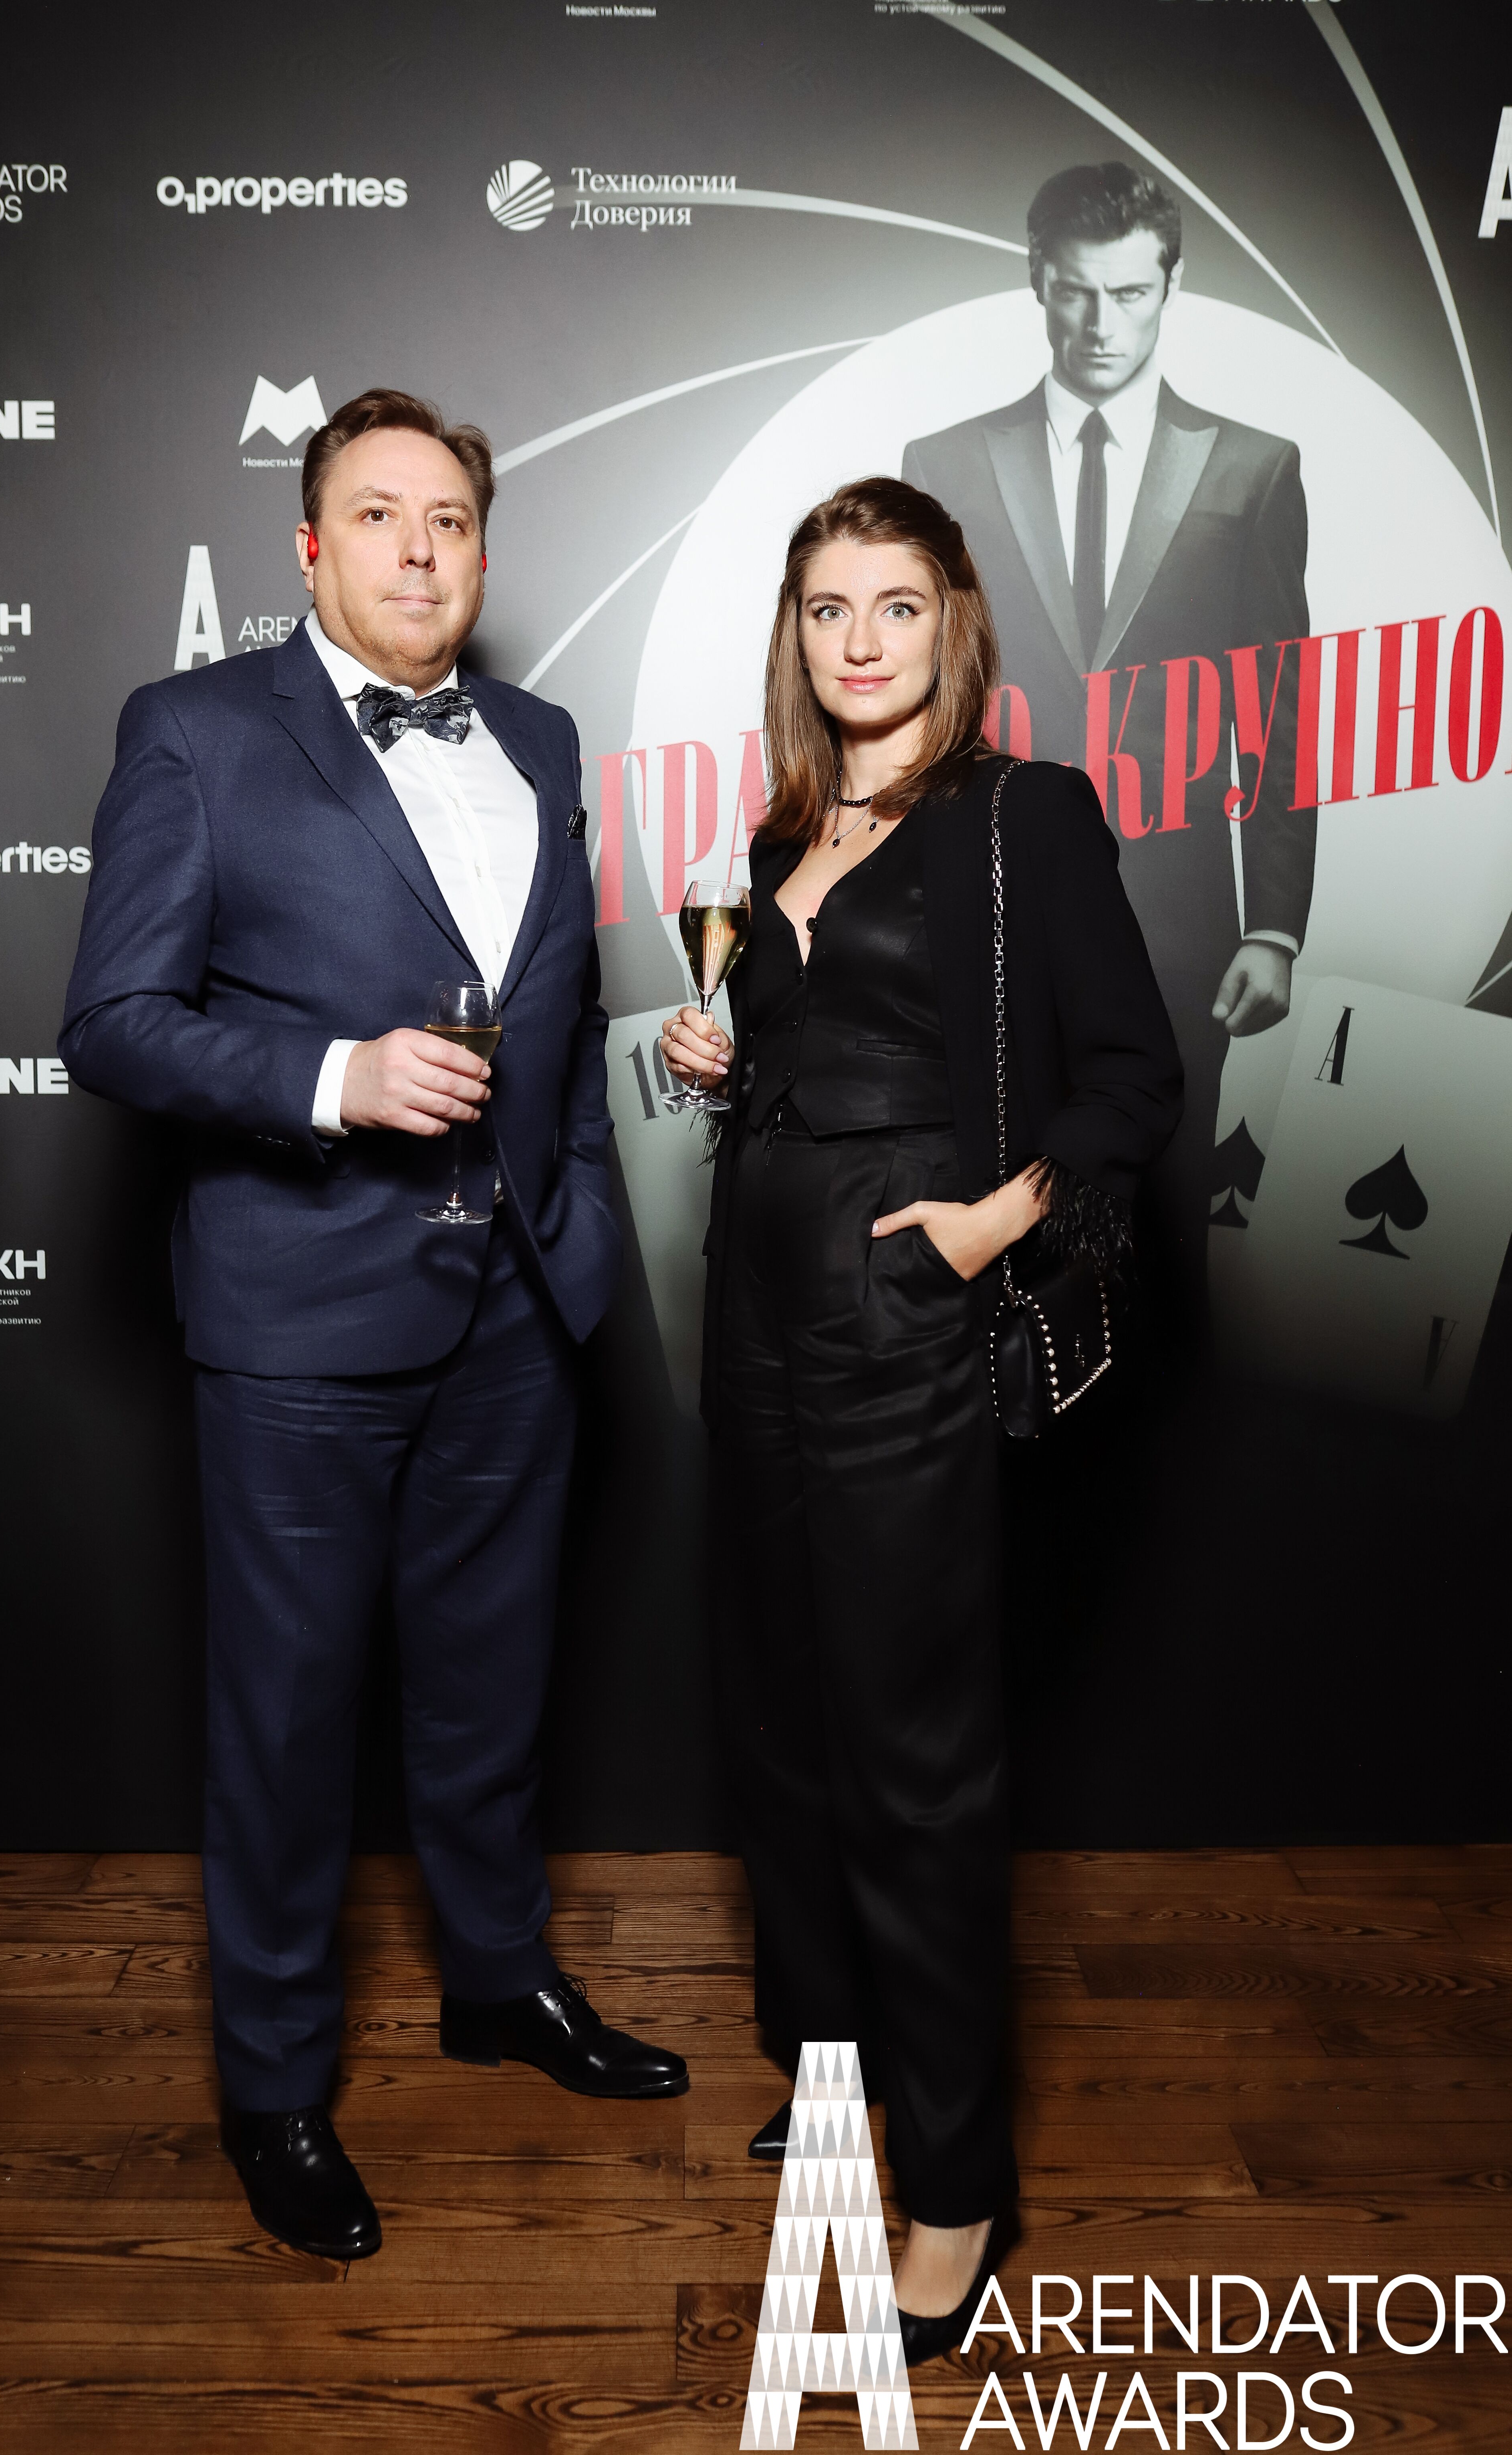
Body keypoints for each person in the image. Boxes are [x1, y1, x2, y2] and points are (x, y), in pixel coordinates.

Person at [60, 387, 686, 2266]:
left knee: (490, 1686)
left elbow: (562, 1010)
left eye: (450, 521)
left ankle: (496, 1977)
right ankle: (271, 2081)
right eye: (378, 515)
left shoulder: (541, 737)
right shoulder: (191, 732)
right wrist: (331, 1077)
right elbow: (111, 1022)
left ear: (480, 554)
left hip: (517, 1302)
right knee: (286, 1719)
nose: (419, 549)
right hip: (302, 1315)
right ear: (310, 547)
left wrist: (575, 1220)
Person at [659, 478, 1180, 2364]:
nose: (859, 639)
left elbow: (1132, 1074)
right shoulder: (777, 830)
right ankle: (832, 2069)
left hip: (904, 1319)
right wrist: (712, 1052)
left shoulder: (1021, 817)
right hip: (751, 1312)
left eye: (893, 602)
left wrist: (990, 1221)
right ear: (792, 634)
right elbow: (794, 1058)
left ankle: (957, 2179)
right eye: (825, 607)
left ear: (951, 620)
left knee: (912, 1752)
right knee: (779, 1716)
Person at [903, 161, 1314, 1342]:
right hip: (989, 900)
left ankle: (1176, 1448)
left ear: (1169, 287)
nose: (1101, 324)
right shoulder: (945, 462)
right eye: (1078, 292)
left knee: (1167, 1230)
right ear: (1040, 282)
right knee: (996, 1217)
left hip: (1180, 919)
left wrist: (1275, 925)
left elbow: (1275, 710)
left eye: (1130, 295)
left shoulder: (1254, 468)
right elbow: (920, 697)